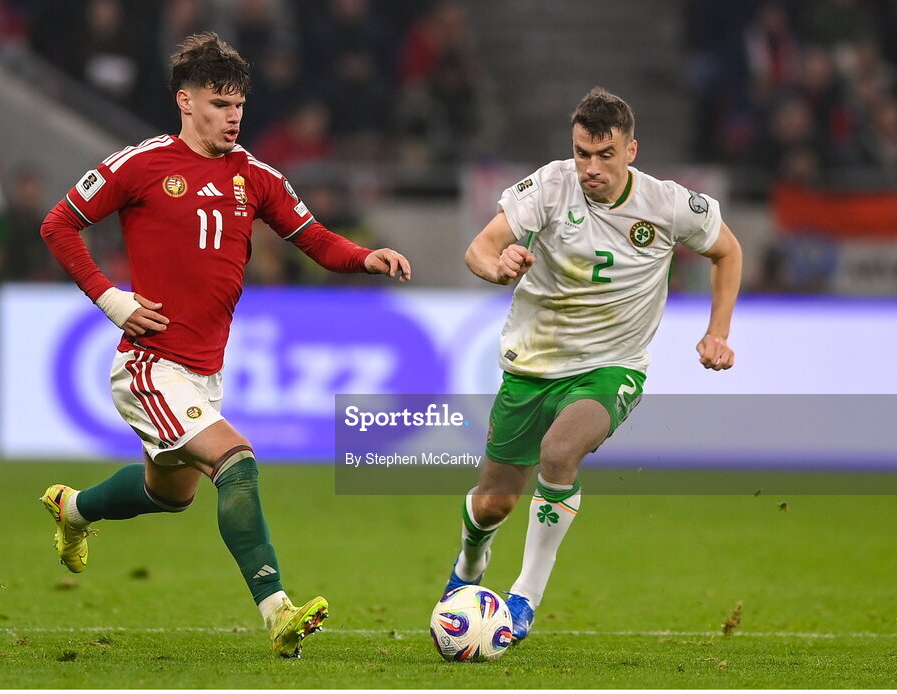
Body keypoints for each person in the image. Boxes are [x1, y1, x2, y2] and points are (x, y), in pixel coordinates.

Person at [39, 32, 411, 658]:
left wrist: (363, 256)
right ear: (185, 102)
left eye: (239, 103)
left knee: (169, 493)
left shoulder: (256, 176)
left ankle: (74, 509)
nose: (233, 116)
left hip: (204, 371)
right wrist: (111, 299)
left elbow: (314, 237)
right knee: (236, 461)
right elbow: (59, 224)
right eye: (219, 103)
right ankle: (277, 610)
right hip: (150, 367)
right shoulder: (141, 164)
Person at [443, 87, 742, 643]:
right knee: (493, 502)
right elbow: (480, 248)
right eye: (583, 153)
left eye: (605, 155)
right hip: (532, 365)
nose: (591, 167)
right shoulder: (550, 186)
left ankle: (524, 598)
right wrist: (498, 264)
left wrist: (717, 332)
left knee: (559, 452)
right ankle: (469, 563)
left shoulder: (670, 203)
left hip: (612, 366)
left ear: (632, 150)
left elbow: (728, 250)